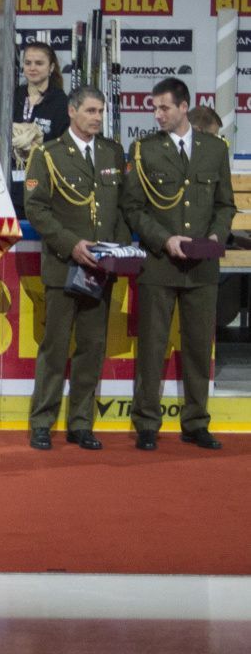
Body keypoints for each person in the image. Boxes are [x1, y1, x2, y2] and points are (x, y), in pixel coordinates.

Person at [121, 77, 235, 451]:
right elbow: (133, 208)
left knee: (200, 348)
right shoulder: (143, 150)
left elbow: (224, 204)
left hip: (202, 266)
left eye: (165, 107)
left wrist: (217, 236)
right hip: (159, 263)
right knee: (152, 348)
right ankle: (147, 423)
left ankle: (197, 422)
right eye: (154, 108)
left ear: (185, 106)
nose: (158, 115)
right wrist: (163, 239)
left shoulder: (214, 150)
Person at [23, 86, 130, 451]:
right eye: (90, 111)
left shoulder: (112, 152)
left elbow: (119, 210)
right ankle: (42, 422)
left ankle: (81, 423)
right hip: (63, 265)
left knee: (92, 347)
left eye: (100, 111)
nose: (97, 117)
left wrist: (115, 251)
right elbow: (36, 209)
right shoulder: (48, 155)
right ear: (71, 112)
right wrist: (73, 245)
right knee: (54, 348)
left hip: (101, 269)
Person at [12, 41, 70, 171]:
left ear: (51, 67)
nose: (32, 68)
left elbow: (66, 146)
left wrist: (38, 143)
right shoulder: (13, 97)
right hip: (10, 177)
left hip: (45, 176)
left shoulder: (61, 102)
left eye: (39, 63)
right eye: (28, 63)